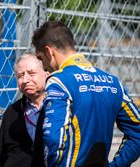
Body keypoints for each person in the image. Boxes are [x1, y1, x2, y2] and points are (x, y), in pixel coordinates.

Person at [31, 20, 140, 167]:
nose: (43, 67)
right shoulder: (114, 82)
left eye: (40, 58)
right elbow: (137, 132)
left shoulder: (59, 81)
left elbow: (54, 139)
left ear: (49, 52)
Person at [0, 53, 48, 167]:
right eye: (20, 76)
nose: (25, 80)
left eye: (31, 73)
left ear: (46, 74)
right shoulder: (12, 112)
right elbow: (0, 154)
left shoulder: (59, 107)